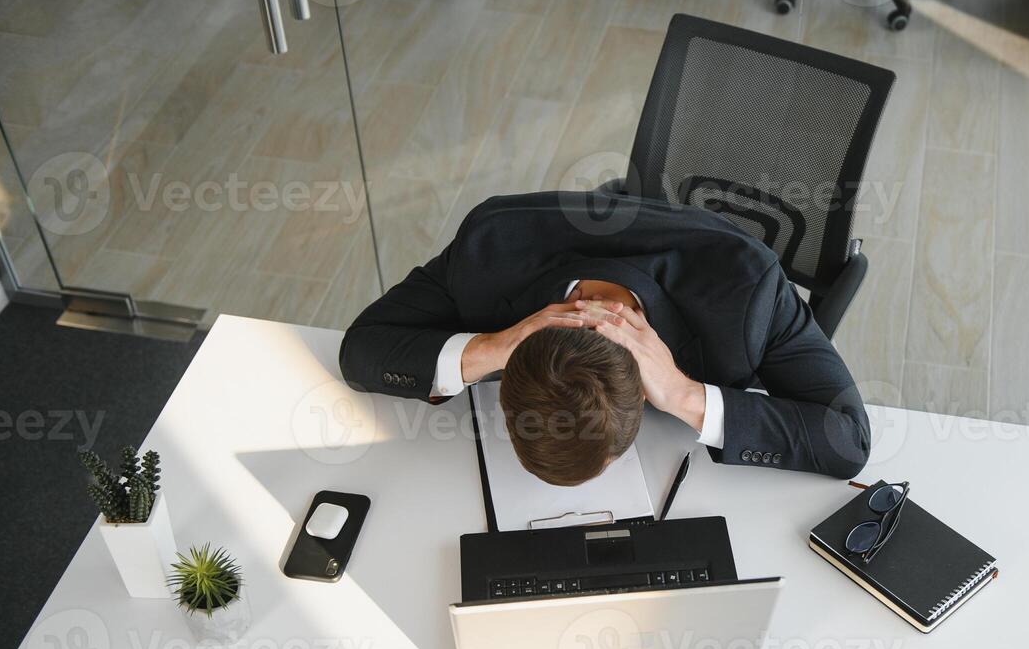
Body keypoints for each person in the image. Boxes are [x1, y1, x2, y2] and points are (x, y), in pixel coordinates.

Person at [338, 191, 870, 484]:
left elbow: (849, 441)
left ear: (643, 391)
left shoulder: (750, 296)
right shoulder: (488, 249)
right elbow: (361, 350)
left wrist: (685, 394)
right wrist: (495, 345)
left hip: (711, 257)